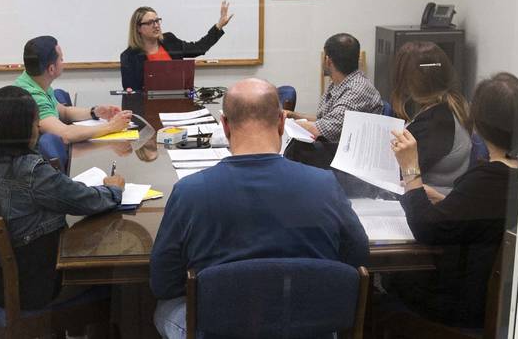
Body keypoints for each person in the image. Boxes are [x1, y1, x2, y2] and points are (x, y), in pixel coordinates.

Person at [150, 78, 369, 338]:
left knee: (164, 308)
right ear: (281, 122)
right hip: (306, 329)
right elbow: (357, 259)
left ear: (225, 125)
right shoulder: (325, 185)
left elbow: (163, 283)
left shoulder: (189, 192)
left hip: (223, 330)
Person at [0, 86, 124, 311]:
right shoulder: (31, 172)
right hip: (35, 287)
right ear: (19, 128)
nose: (39, 127)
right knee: (119, 267)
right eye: (35, 122)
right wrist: (113, 190)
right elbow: (86, 201)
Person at [386, 72, 518, 329]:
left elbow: (425, 228)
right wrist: (449, 199)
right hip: (512, 299)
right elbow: (482, 214)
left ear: (479, 125)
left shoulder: (487, 179)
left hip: (464, 303)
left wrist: (411, 171)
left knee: (390, 278)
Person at [283, 33, 383, 169]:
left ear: (328, 61)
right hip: (337, 149)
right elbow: (323, 119)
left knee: (294, 149)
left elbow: (320, 129)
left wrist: (282, 123)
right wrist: (291, 115)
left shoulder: (357, 90)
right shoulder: (338, 82)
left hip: (348, 160)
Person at [389, 42, 473, 194]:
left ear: (408, 83)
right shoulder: (451, 106)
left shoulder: (433, 125)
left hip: (428, 200)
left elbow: (397, 172)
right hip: (439, 195)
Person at [15, 36, 132, 143]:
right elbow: (65, 134)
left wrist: (95, 112)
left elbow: (64, 112)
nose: (63, 62)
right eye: (61, 59)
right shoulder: (32, 96)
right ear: (51, 69)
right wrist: (111, 127)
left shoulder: (34, 79)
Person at [120, 2, 233, 92]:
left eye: (157, 21)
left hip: (178, 103)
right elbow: (131, 92)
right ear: (138, 28)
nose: (156, 25)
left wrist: (219, 26)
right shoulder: (129, 56)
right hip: (147, 108)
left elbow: (199, 48)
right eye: (150, 22)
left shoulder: (170, 40)